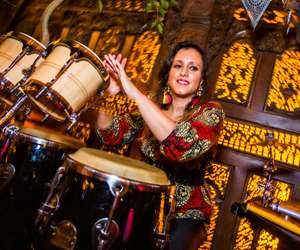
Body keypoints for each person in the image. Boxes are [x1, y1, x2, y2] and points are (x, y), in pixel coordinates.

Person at [96, 41, 225, 250]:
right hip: (142, 202)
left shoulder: (211, 113)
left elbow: (180, 145)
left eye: (193, 68)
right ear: (168, 74)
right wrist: (108, 95)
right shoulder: (150, 112)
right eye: (178, 65)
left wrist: (136, 94)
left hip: (183, 214)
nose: (184, 72)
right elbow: (109, 135)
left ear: (201, 80)